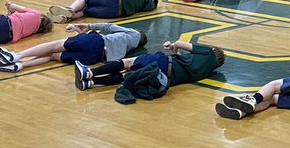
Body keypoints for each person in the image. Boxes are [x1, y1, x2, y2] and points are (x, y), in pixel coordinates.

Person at [74, 40, 224, 104]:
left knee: (128, 63)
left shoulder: (208, 52)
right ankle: (92, 83)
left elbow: (179, 44)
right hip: (165, 78)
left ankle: (90, 72)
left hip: (164, 62)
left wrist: (173, 47)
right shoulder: (208, 71)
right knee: (128, 75)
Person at [0, 23, 146, 73]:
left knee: (54, 46)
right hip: (95, 58)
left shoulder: (133, 34)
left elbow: (109, 27)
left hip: (97, 42)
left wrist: (88, 25)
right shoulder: (126, 51)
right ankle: (19, 66)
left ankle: (16, 56)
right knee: (53, 55)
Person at [48, 0, 159, 22]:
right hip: (115, 13)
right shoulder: (147, 7)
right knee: (86, 12)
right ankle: (66, 18)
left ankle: (70, 9)